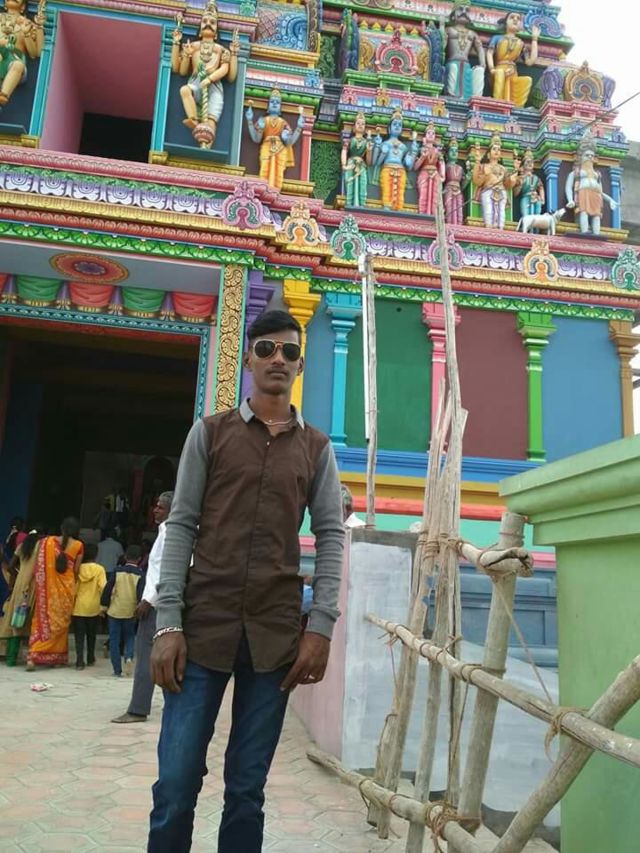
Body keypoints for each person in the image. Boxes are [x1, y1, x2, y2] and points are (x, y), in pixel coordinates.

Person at [147, 309, 344, 852]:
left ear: (300, 365)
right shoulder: (210, 434)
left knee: (246, 790)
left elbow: (331, 535)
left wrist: (321, 626)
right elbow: (181, 524)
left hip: (274, 637)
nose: (278, 359)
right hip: (201, 629)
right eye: (266, 349)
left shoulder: (317, 449)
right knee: (176, 784)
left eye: (289, 351)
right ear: (249, 360)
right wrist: (168, 623)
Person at [112, 492, 173, 723]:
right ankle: (171, 707)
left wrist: (149, 600)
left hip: (156, 603)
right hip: (161, 601)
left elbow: (166, 571)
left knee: (147, 655)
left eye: (161, 507)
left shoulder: (170, 532)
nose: (155, 510)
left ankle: (138, 708)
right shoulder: (169, 531)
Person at [26, 518, 84, 671]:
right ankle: (55, 657)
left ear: (61, 527)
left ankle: (33, 656)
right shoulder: (79, 545)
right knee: (61, 624)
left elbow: (38, 565)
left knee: (42, 622)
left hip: (47, 591)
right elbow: (76, 570)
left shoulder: (47, 542)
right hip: (67, 590)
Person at [0, 526, 45, 666]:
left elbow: (10, 566)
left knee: (16, 618)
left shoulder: (21, 546)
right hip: (35, 585)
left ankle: (11, 659)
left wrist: (17, 575)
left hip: (20, 584)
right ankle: (31, 658)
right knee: (32, 621)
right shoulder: (42, 548)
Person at [245, 89, 305, 190]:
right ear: (268, 106)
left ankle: (275, 191)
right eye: (272, 102)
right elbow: (256, 139)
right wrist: (249, 120)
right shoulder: (263, 120)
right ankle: (263, 190)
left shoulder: (283, 123)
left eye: (277, 102)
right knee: (264, 169)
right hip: (266, 147)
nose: (274, 104)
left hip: (280, 149)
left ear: (280, 107)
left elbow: (289, 142)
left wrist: (299, 127)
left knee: (278, 173)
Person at [101, 544, 143, 677]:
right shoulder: (141, 574)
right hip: (130, 611)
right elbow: (141, 594)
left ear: (125, 557)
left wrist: (103, 605)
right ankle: (129, 657)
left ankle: (117, 670)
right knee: (130, 636)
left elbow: (108, 588)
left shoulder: (117, 571)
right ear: (140, 559)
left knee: (114, 639)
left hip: (115, 610)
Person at [487, 12, 540, 107]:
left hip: (513, 72)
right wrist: (492, 69)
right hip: (499, 69)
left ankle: (516, 108)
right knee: (500, 74)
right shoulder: (497, 38)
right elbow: (489, 53)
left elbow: (530, 62)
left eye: (518, 18)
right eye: (512, 17)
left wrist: (534, 39)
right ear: (506, 22)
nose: (515, 19)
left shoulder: (521, 43)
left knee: (527, 80)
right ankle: (497, 105)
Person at [71, 543, 107, 670]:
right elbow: (103, 587)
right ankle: (90, 657)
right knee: (91, 635)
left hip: (78, 607)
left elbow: (73, 587)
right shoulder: (99, 569)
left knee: (79, 636)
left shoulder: (77, 568)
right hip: (93, 607)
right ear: (96, 555)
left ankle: (79, 661)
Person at [441, 2, 486, 100]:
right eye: (460, 9)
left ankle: (476, 99)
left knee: (479, 71)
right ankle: (451, 94)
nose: (464, 12)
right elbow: (442, 46)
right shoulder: (449, 30)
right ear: (453, 14)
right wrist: (442, 28)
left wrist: (483, 64)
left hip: (466, 66)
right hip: (452, 63)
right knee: (453, 68)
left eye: (467, 10)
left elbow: (480, 48)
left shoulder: (472, 34)